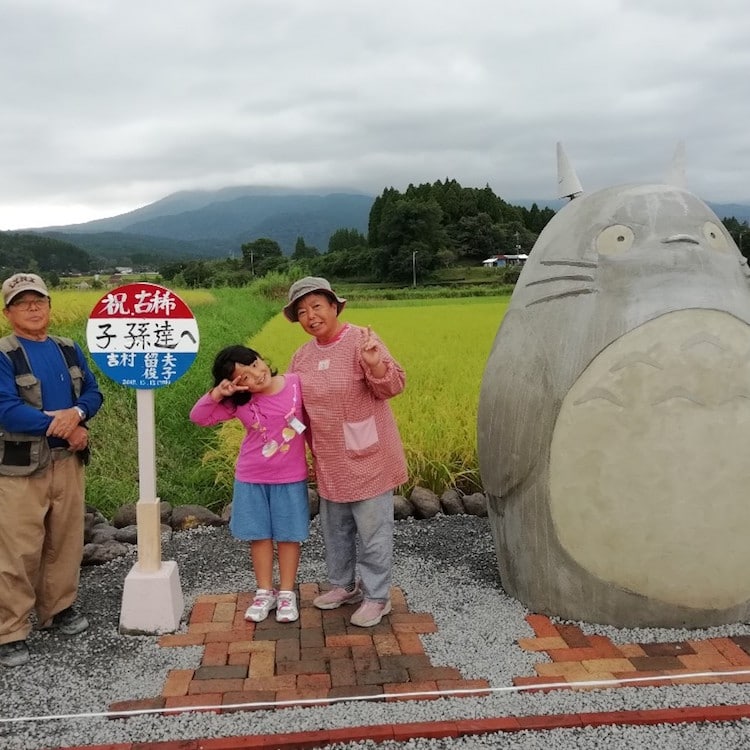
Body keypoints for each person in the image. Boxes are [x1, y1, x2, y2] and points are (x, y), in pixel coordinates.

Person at [283, 276, 408, 628]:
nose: (311, 316)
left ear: (335, 306)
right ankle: (343, 585)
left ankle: (377, 597)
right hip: (329, 457)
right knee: (335, 528)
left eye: (317, 306)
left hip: (370, 457)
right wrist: (292, 447)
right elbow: (295, 409)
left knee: (373, 531)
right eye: (302, 311)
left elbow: (394, 386)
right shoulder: (302, 356)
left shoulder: (361, 341)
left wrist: (374, 363)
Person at [0, 273, 103, 669]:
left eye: (38, 300)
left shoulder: (67, 348)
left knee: (65, 540)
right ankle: (10, 630)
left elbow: (93, 392)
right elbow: (5, 407)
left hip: (67, 463)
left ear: (48, 305)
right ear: (8, 311)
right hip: (20, 468)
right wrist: (62, 427)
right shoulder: (4, 353)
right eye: (22, 302)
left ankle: (58, 610)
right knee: (18, 548)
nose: (32, 307)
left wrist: (78, 414)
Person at [189, 345, 309, 623]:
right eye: (243, 377)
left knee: (289, 535)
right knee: (259, 535)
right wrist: (219, 393)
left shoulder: (295, 384)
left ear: (261, 358)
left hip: (290, 477)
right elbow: (199, 417)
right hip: (251, 476)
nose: (255, 375)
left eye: (254, 365)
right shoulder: (237, 403)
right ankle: (265, 591)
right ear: (235, 384)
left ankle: (287, 593)